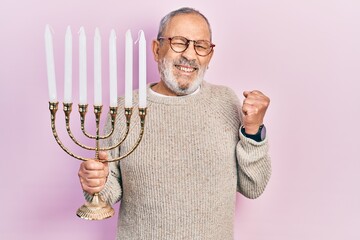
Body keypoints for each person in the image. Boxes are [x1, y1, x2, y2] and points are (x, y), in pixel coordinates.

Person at [78, 7, 271, 239]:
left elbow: (253, 186)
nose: (189, 55)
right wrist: (94, 183)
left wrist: (253, 130)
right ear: (156, 49)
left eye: (200, 45)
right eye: (179, 42)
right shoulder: (124, 108)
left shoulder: (226, 102)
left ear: (209, 55)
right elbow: (108, 192)